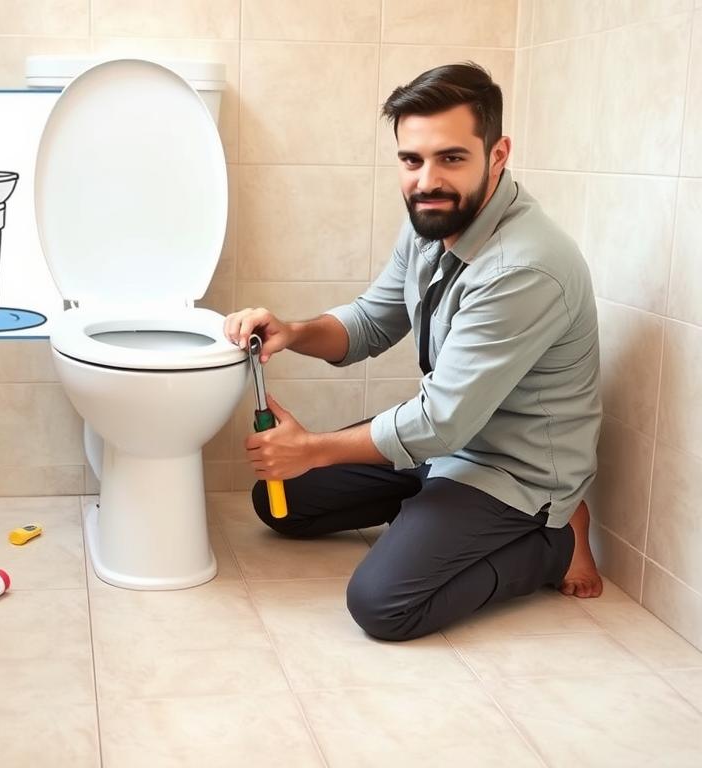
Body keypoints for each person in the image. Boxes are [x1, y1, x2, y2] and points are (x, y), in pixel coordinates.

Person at [224, 62, 603, 642]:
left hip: (512, 470)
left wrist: (312, 449)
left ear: (497, 154)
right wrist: (292, 330)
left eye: (451, 157)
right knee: (279, 505)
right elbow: (372, 322)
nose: (427, 179)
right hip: (446, 446)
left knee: (383, 606)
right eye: (411, 160)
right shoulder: (434, 221)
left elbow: (441, 420)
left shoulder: (523, 267)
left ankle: (555, 539)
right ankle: (434, 511)